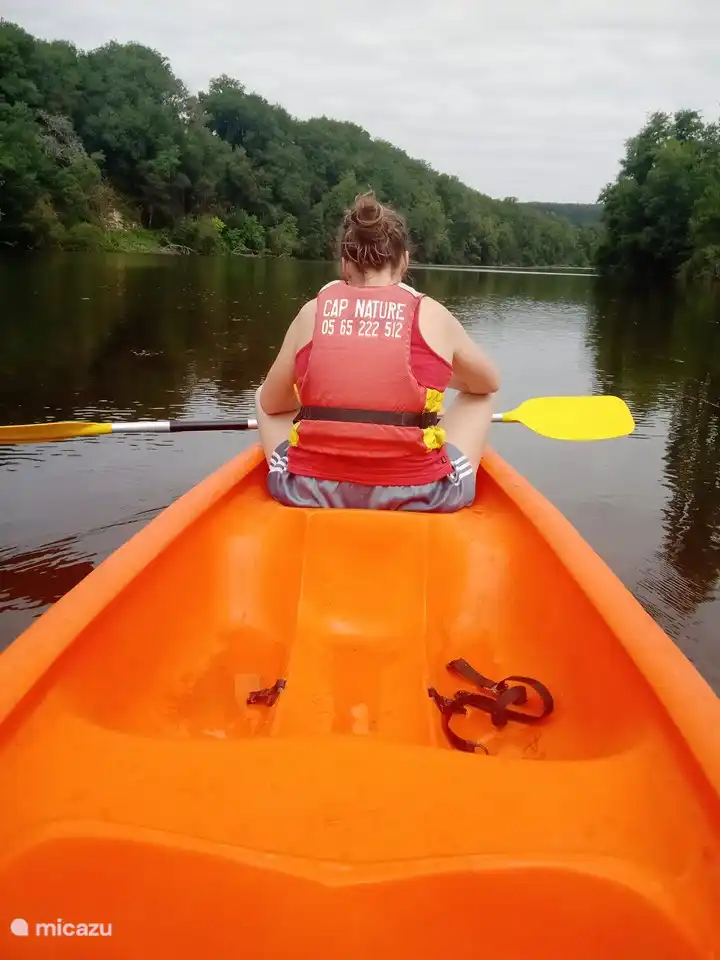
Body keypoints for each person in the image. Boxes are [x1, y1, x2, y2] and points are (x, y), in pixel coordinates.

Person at [255, 191, 499, 511]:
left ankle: (315, 455)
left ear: (344, 265)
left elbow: (273, 404)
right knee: (482, 397)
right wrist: (429, 387)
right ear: (405, 261)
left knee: (263, 394)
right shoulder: (433, 313)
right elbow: (488, 382)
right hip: (421, 495)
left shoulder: (312, 313)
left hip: (307, 490)